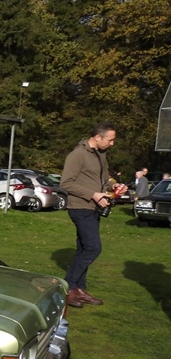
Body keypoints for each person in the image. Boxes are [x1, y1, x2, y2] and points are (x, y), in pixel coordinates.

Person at [59, 122, 127, 308]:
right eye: (110, 140)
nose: (112, 143)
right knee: (93, 248)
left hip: (93, 208)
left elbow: (102, 180)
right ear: (98, 137)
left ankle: (79, 289)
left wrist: (114, 186)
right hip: (80, 208)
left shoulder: (100, 154)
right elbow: (66, 183)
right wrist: (94, 195)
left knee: (83, 249)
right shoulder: (77, 155)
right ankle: (67, 287)